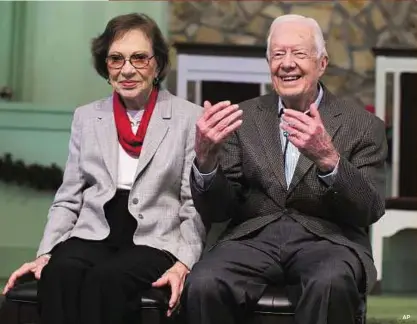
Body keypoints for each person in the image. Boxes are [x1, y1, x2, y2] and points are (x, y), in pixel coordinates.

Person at [183, 14, 387, 324]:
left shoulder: (362, 125)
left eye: (299, 53)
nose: (287, 63)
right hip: (253, 238)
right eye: (278, 54)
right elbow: (220, 209)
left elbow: (369, 208)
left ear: (322, 63)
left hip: (328, 240)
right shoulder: (243, 118)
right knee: (205, 282)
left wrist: (329, 159)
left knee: (330, 282)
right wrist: (206, 160)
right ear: (269, 63)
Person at [2, 13, 205, 324]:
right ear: (105, 66)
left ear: (158, 64)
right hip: (94, 229)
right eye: (116, 59)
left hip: (155, 236)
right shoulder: (86, 117)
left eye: (139, 58)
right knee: (59, 271)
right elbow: (69, 196)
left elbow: (193, 203)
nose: (127, 69)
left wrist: (185, 261)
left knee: (108, 280)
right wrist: (46, 251)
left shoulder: (188, 118)